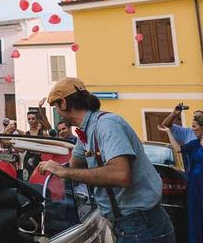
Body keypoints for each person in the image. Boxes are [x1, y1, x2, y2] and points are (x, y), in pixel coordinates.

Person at [38, 77, 174, 242]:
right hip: (130, 224)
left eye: (55, 107)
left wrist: (63, 171)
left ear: (64, 104)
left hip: (142, 225)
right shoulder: (87, 130)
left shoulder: (107, 125)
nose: (57, 112)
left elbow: (120, 175)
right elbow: (76, 164)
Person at [159, 116, 203, 242]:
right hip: (194, 184)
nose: (192, 130)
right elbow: (178, 149)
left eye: (194, 126)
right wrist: (168, 132)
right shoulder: (194, 144)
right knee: (195, 214)